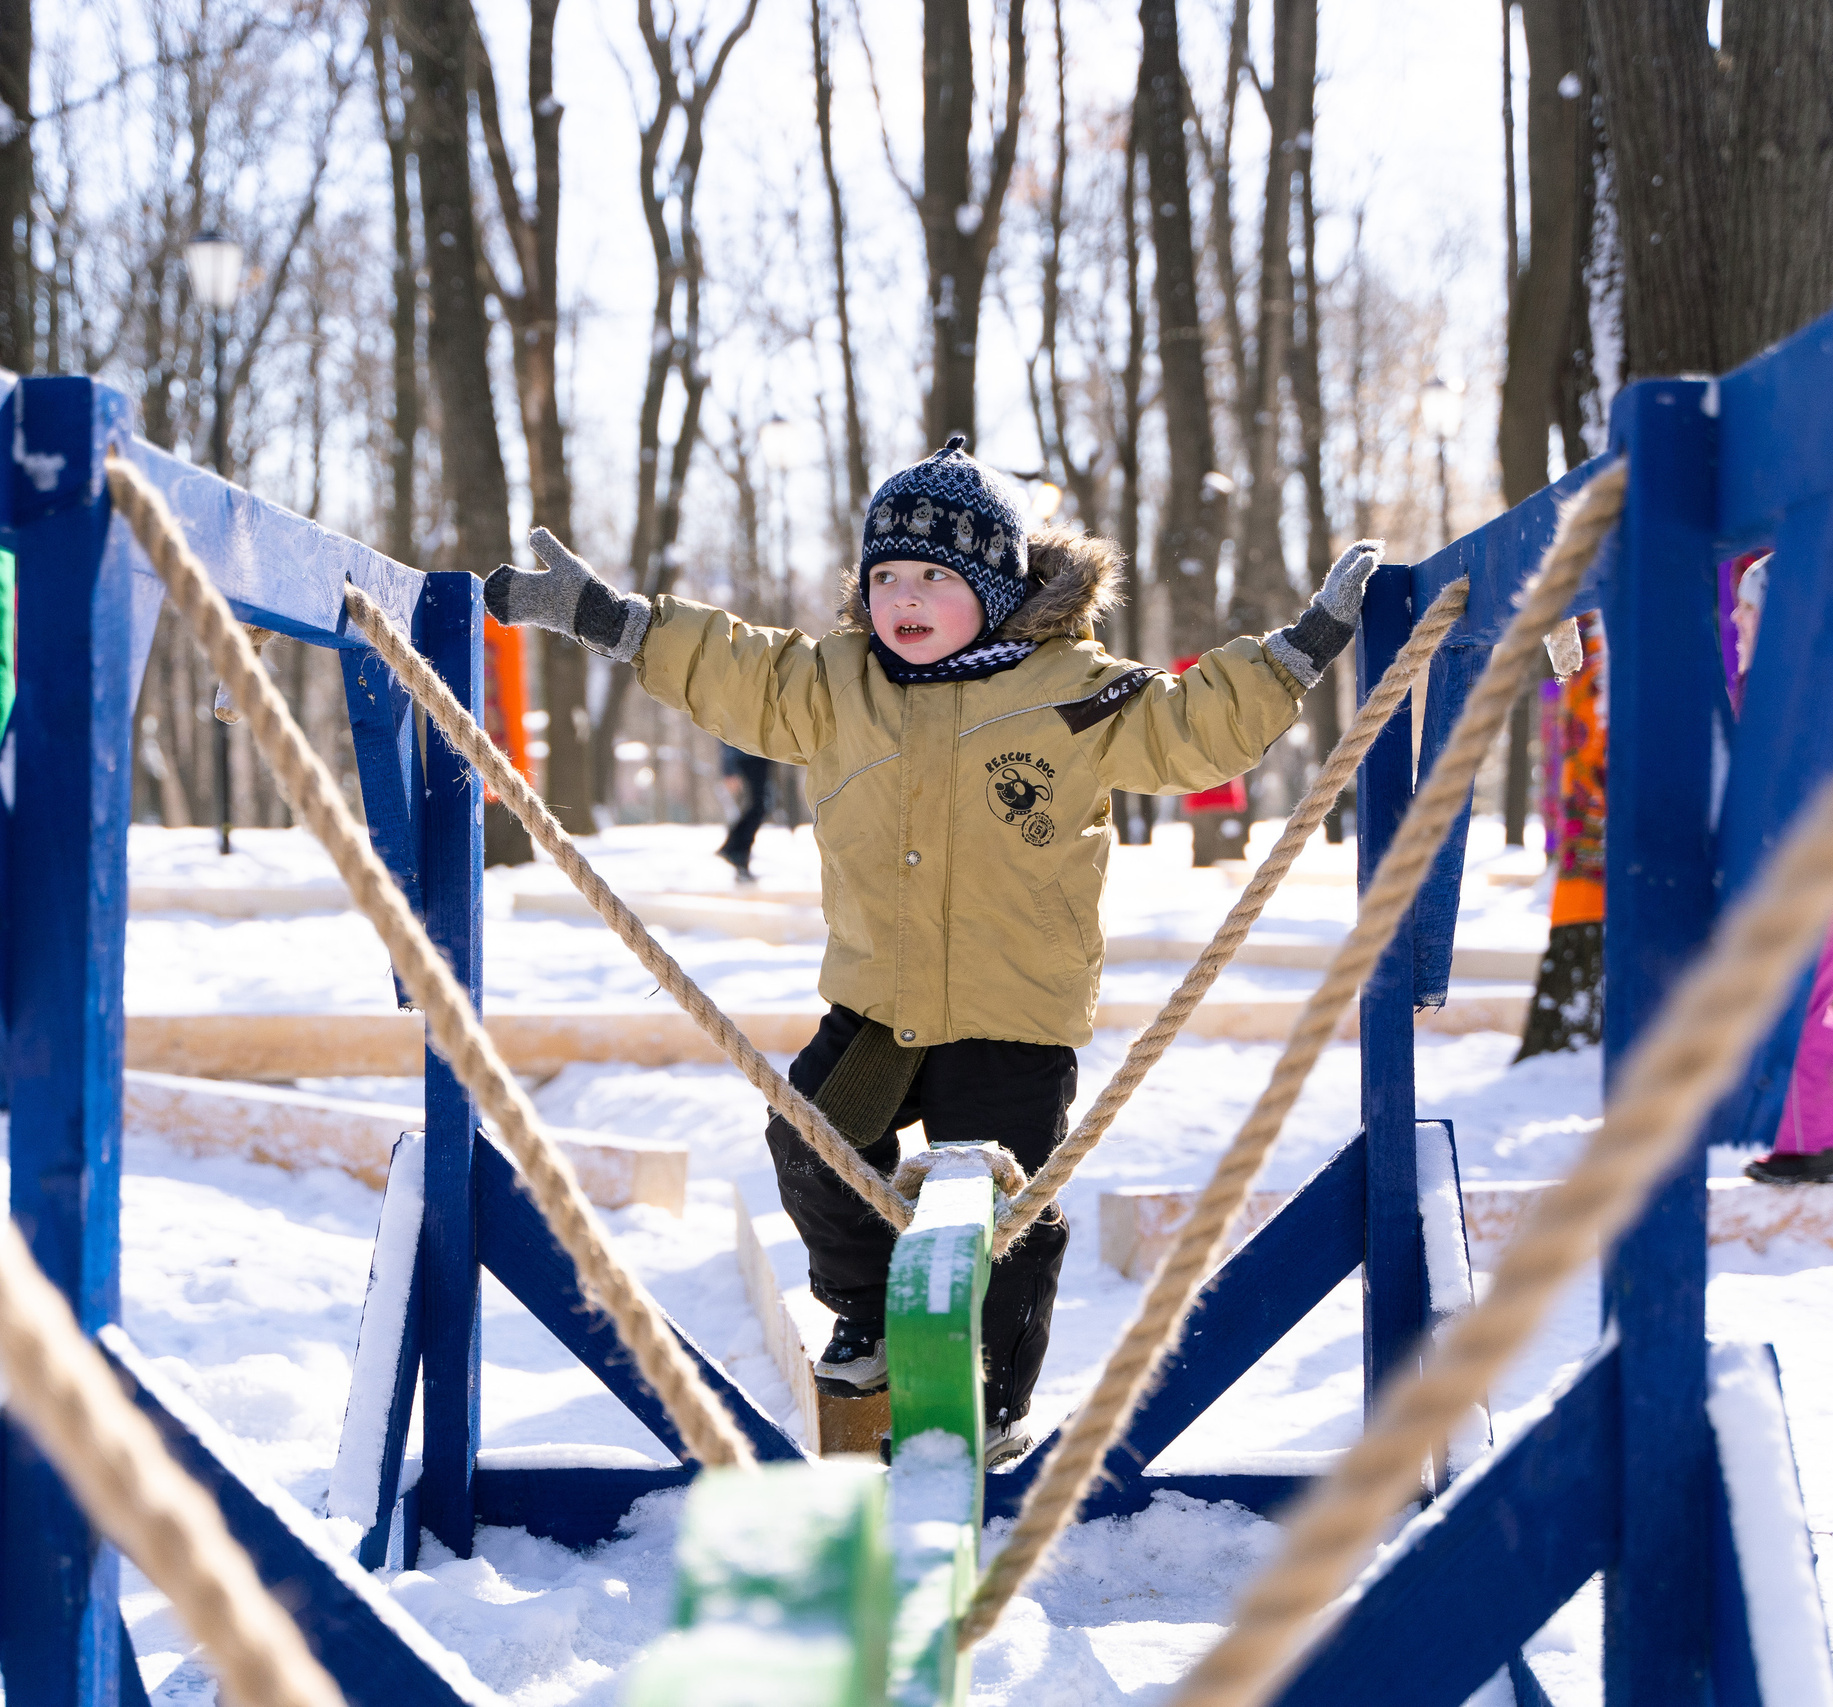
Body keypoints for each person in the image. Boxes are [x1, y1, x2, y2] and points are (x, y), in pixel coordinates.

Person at [484, 434, 1377, 1463]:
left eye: (934, 577)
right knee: (812, 1139)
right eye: (885, 576)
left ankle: (991, 1401)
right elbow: (727, 669)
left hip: (1013, 1018)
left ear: (995, 591)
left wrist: (1299, 649)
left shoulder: (1072, 692)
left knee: (1004, 1221)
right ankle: (863, 1311)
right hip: (879, 1004)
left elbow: (1190, 729)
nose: (903, 597)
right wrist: (607, 619)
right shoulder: (833, 683)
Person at [1729, 556, 1833, 1183]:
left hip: (1805, 864)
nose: (1735, 617)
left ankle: (1809, 1144)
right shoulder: (1781, 683)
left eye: (1747, 608)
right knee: (1796, 997)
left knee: (1797, 997)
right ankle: (1806, 1131)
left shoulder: (1793, 690)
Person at [716, 743, 770, 883]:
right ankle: (735, 850)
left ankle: (735, 850)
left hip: (761, 754)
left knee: (761, 805)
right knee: (760, 805)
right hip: (749, 754)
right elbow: (727, 730)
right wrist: (729, 769)